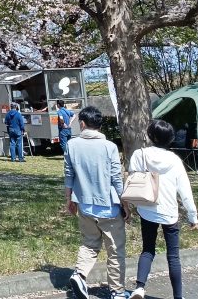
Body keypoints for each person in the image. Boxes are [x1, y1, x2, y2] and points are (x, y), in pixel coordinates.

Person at [129, 119, 198, 299]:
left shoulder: (140, 154)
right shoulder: (175, 160)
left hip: (146, 208)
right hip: (169, 212)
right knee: (173, 256)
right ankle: (178, 296)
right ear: (170, 139)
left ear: (150, 136)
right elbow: (185, 191)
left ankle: (139, 288)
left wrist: (128, 206)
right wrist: (193, 216)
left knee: (147, 250)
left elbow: (132, 180)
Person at [64, 105, 127, 299]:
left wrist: (69, 199)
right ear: (99, 125)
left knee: (90, 243)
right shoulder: (109, 147)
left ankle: (80, 275)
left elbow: (69, 174)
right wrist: (125, 204)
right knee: (115, 251)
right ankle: (117, 292)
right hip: (108, 206)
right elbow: (117, 178)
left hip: (84, 204)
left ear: (82, 124)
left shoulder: (72, 145)